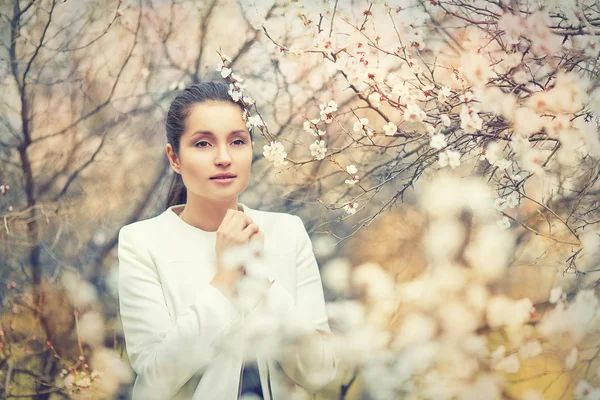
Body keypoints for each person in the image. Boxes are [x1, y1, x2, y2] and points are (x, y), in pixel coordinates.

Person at [117, 81, 338, 399]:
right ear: (175, 157)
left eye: (237, 141)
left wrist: (259, 277)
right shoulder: (143, 241)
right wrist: (224, 278)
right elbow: (156, 379)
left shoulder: (286, 232)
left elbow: (321, 372)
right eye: (203, 144)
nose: (223, 157)